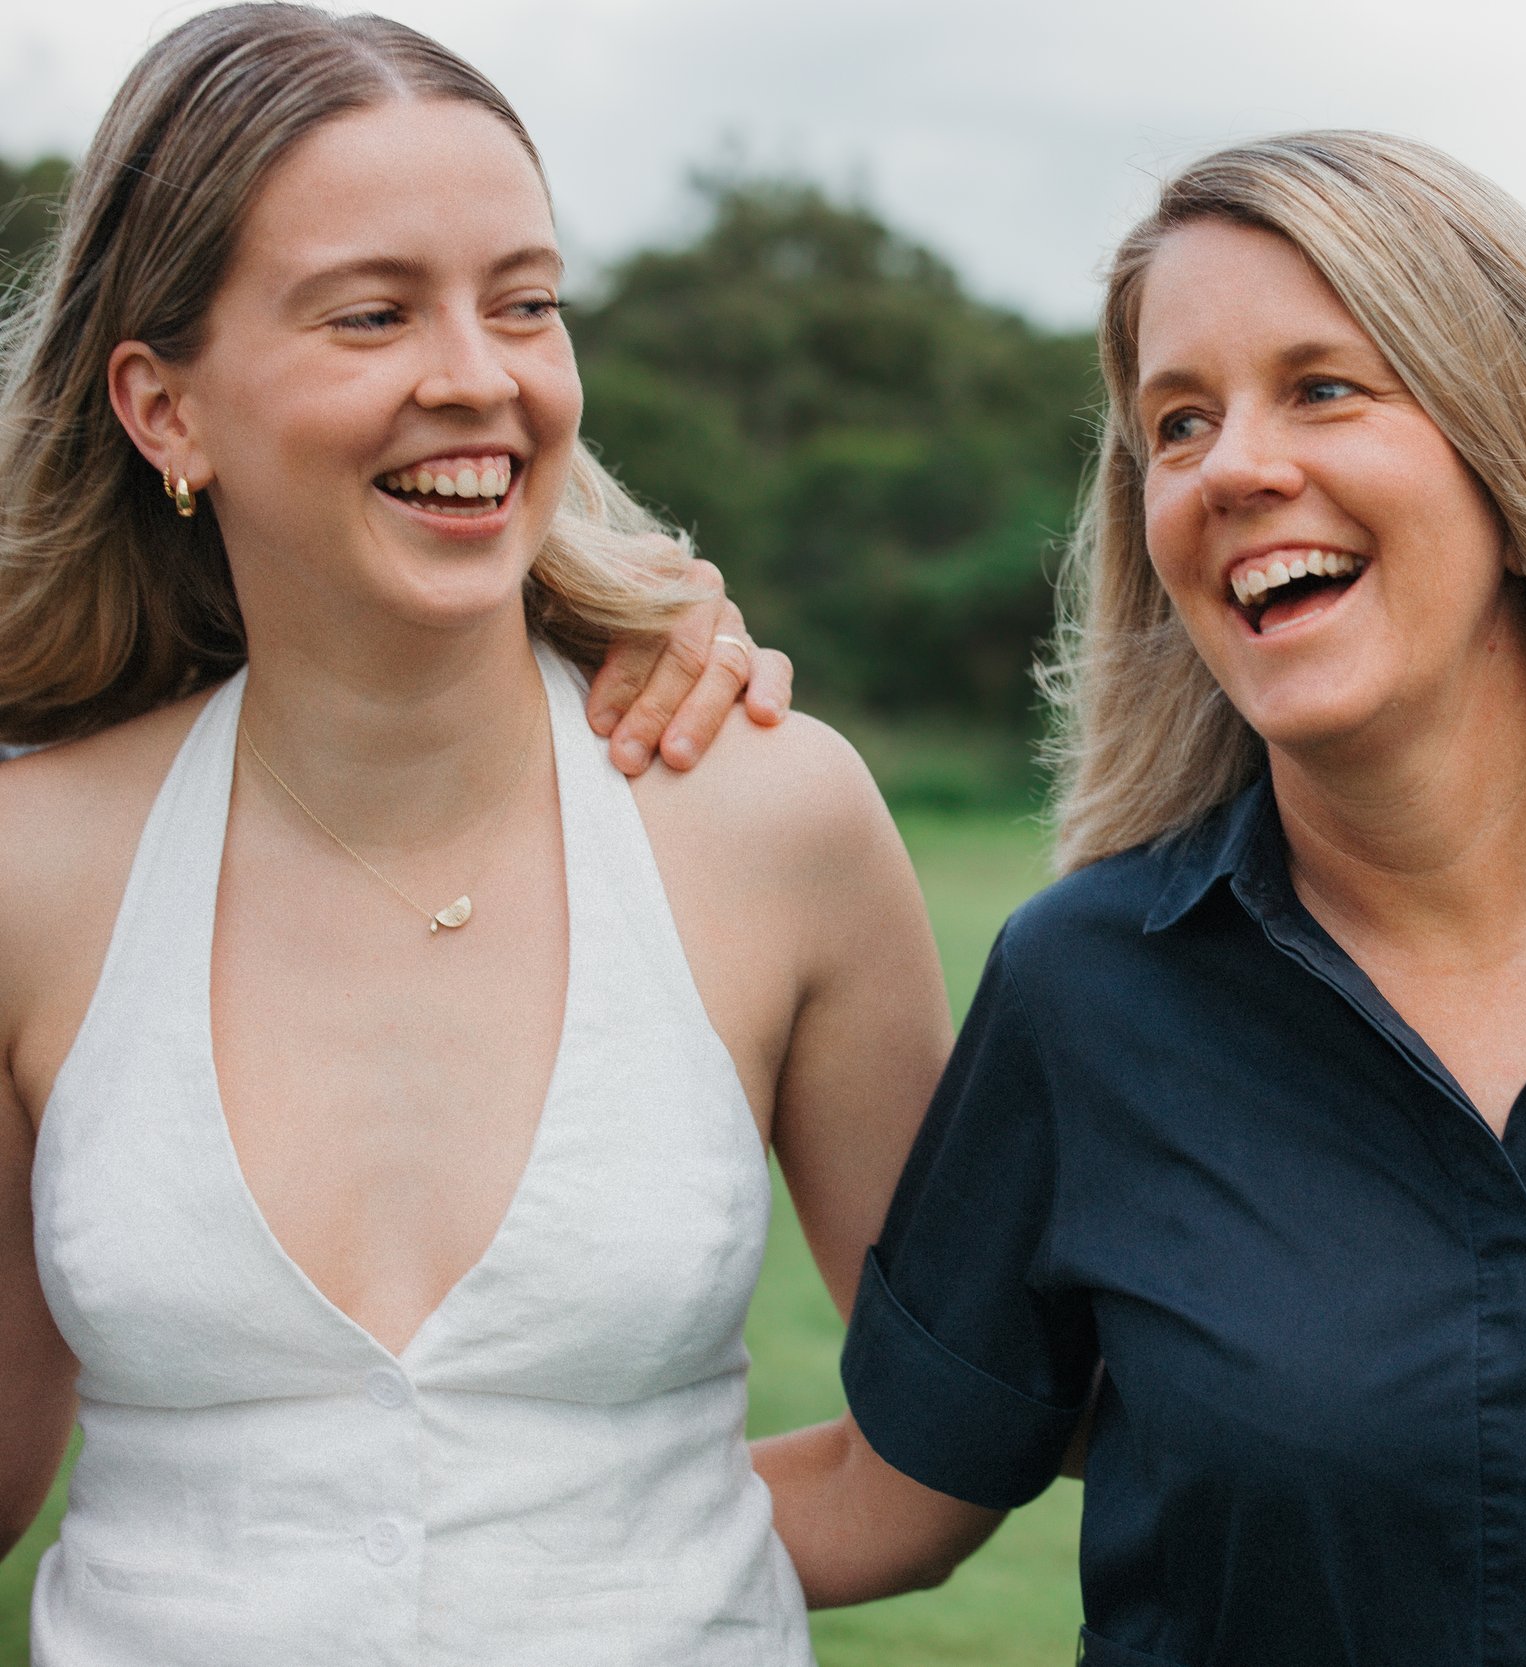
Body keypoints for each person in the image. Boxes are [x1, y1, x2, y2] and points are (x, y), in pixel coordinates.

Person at [753, 130, 1526, 1667]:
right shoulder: (1085, 990)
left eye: (1325, 386)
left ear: (1518, 436)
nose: (1234, 468)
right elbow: (895, 1496)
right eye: (1178, 424)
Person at [0, 7, 950, 1660]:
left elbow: (947, 1453)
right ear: (165, 411)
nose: (481, 376)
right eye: (373, 314)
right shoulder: (33, 866)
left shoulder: (775, 818)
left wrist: (615, 1563)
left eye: (525, 302)